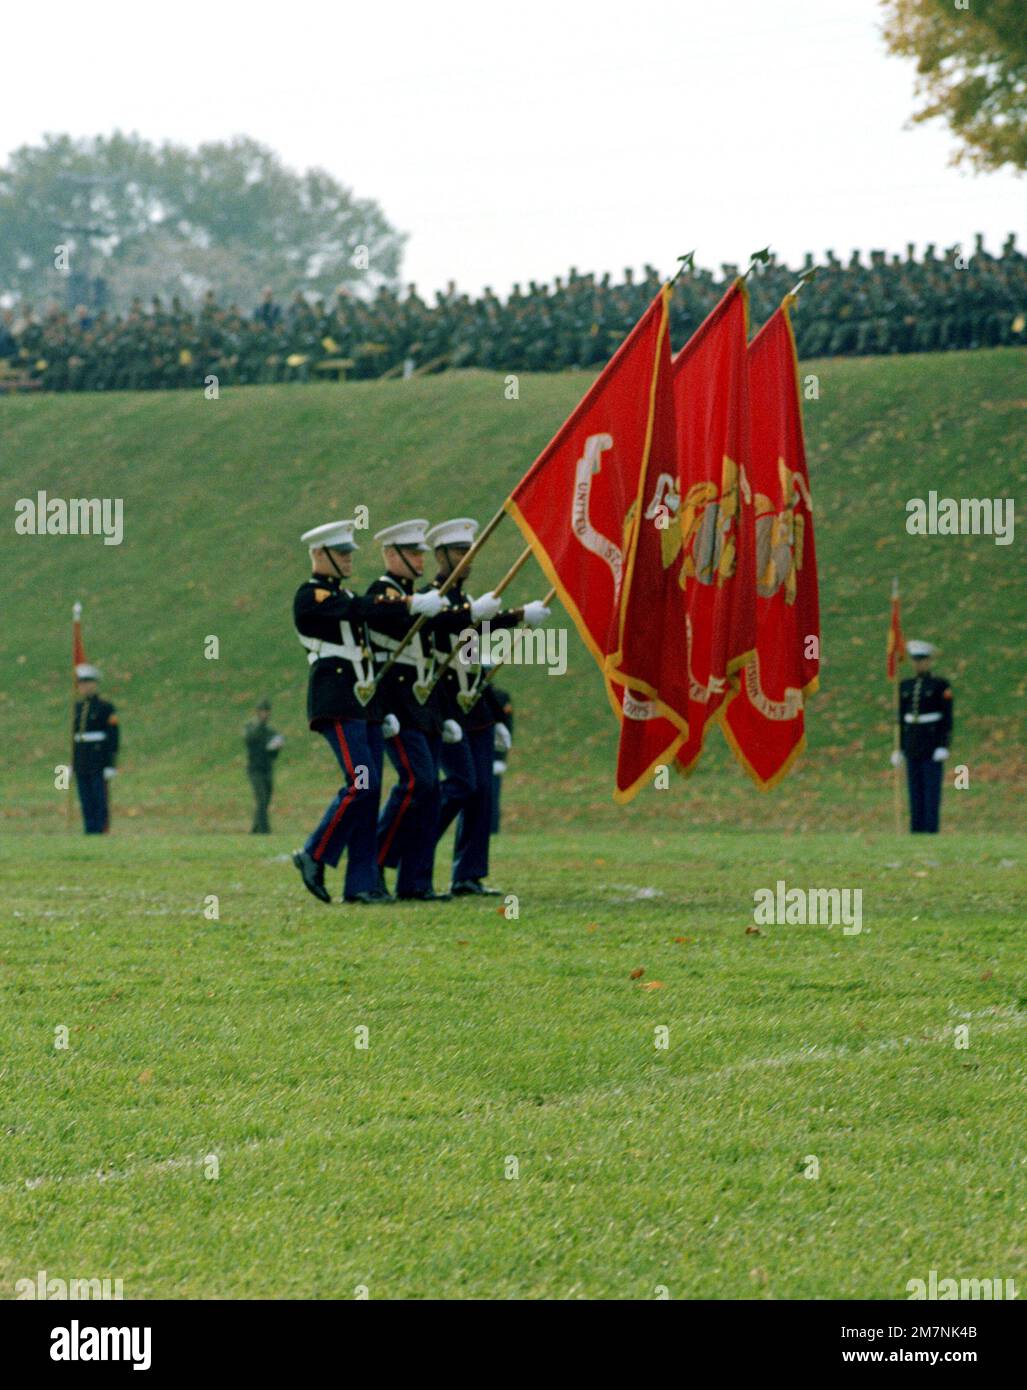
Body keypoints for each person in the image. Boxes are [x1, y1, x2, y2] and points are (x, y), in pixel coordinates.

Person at [422, 518, 549, 894]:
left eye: (469, 551)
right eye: (459, 552)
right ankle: (414, 846)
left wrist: (519, 616)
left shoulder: (464, 602)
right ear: (440, 556)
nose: (466, 558)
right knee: (460, 786)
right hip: (444, 707)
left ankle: (468, 874)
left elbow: (475, 654)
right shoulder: (434, 601)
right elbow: (447, 628)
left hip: (473, 707)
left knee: (481, 793)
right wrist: (498, 616)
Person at [291, 518, 411, 906]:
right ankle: (314, 852)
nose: (347, 560)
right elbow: (359, 609)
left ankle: (362, 883)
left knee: (370, 788)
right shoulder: (312, 597)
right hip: (339, 702)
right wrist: (409, 601)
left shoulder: (345, 595)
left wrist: (383, 709)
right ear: (318, 555)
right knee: (361, 782)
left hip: (366, 706)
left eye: (348, 554)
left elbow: (372, 627)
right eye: (340, 554)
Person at [366, 519, 453, 901]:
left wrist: (498, 616)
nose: (420, 559)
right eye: (412, 553)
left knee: (431, 794)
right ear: (391, 555)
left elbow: (450, 627)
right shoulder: (382, 593)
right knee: (418, 782)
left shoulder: (422, 597)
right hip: (398, 707)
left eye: (421, 552)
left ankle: (416, 881)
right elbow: (380, 614)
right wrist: (416, 604)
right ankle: (377, 860)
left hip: (425, 706)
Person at [891, 640, 953, 833]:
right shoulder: (905, 685)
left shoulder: (940, 685)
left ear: (929, 661)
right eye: (916, 660)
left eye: (923, 660)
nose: (919, 664)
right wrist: (900, 747)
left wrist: (944, 745)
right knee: (914, 789)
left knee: (931, 790)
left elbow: (946, 718)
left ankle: (931, 829)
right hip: (912, 743)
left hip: (932, 743)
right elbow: (901, 719)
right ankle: (916, 829)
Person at [71, 663, 119, 834]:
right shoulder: (76, 707)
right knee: (85, 797)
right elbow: (75, 738)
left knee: (99, 797)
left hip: (98, 759)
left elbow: (113, 737)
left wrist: (110, 764)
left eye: (87, 682)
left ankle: (100, 828)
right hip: (82, 759)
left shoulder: (106, 707)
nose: (83, 686)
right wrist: (72, 762)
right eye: (80, 683)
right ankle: (89, 828)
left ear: (94, 684)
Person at [243, 699, 283, 833]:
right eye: (262, 711)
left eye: (267, 711)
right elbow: (250, 740)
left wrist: (276, 747)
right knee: (261, 798)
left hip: (267, 769)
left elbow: (273, 755)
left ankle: (255, 829)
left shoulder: (271, 732)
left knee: (266, 799)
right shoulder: (251, 727)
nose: (265, 714)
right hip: (254, 769)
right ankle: (265, 830)